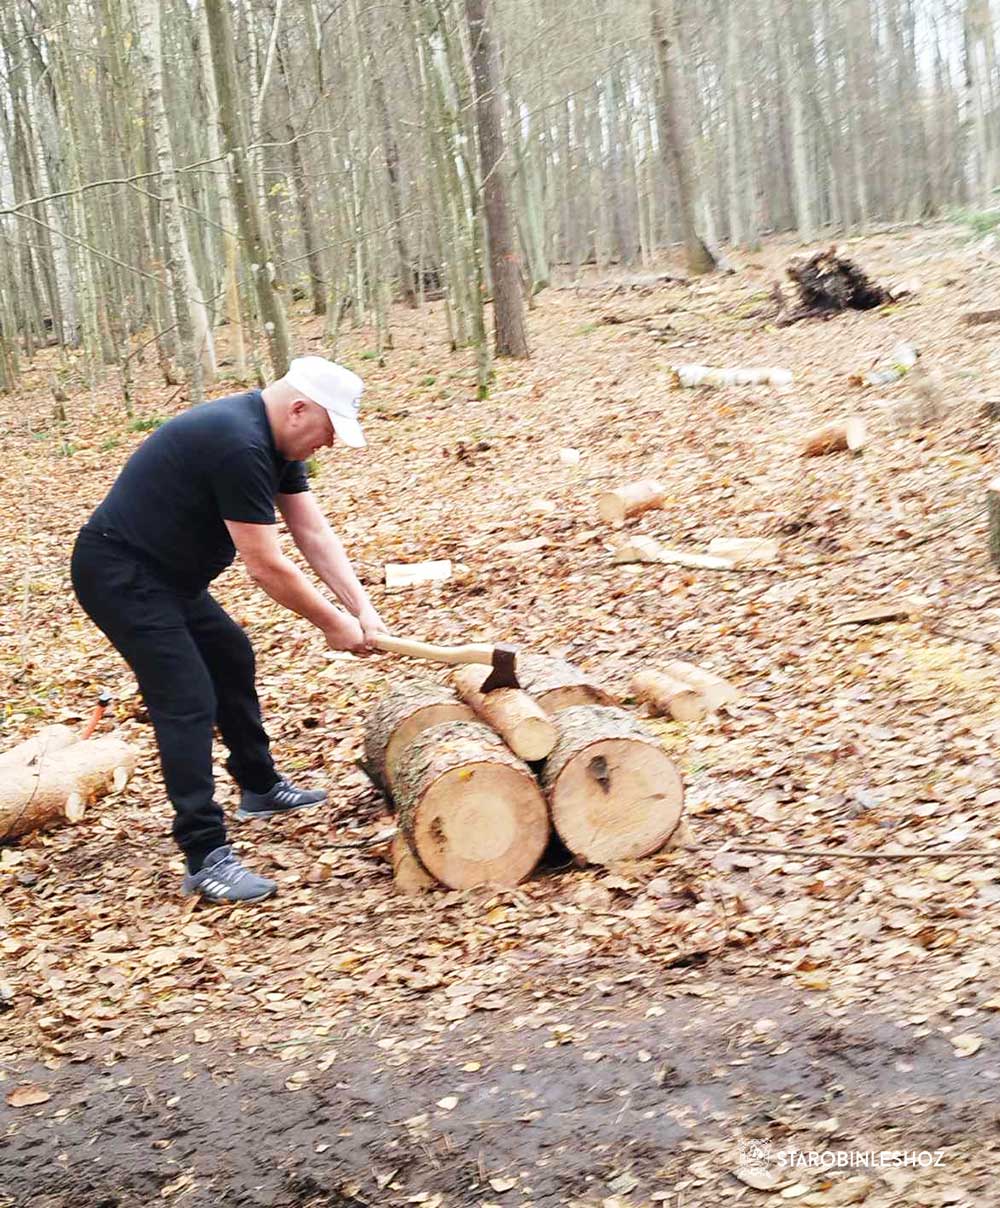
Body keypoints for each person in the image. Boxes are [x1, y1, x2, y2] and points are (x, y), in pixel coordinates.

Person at [70, 357, 388, 904]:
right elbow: (266, 565)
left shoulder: (275, 440)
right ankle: (204, 854)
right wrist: (333, 624)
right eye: (330, 431)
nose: (330, 445)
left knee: (231, 656)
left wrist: (362, 607)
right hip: (120, 573)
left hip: (171, 577)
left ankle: (259, 786)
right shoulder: (238, 444)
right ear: (298, 409)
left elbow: (310, 529)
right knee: (186, 696)